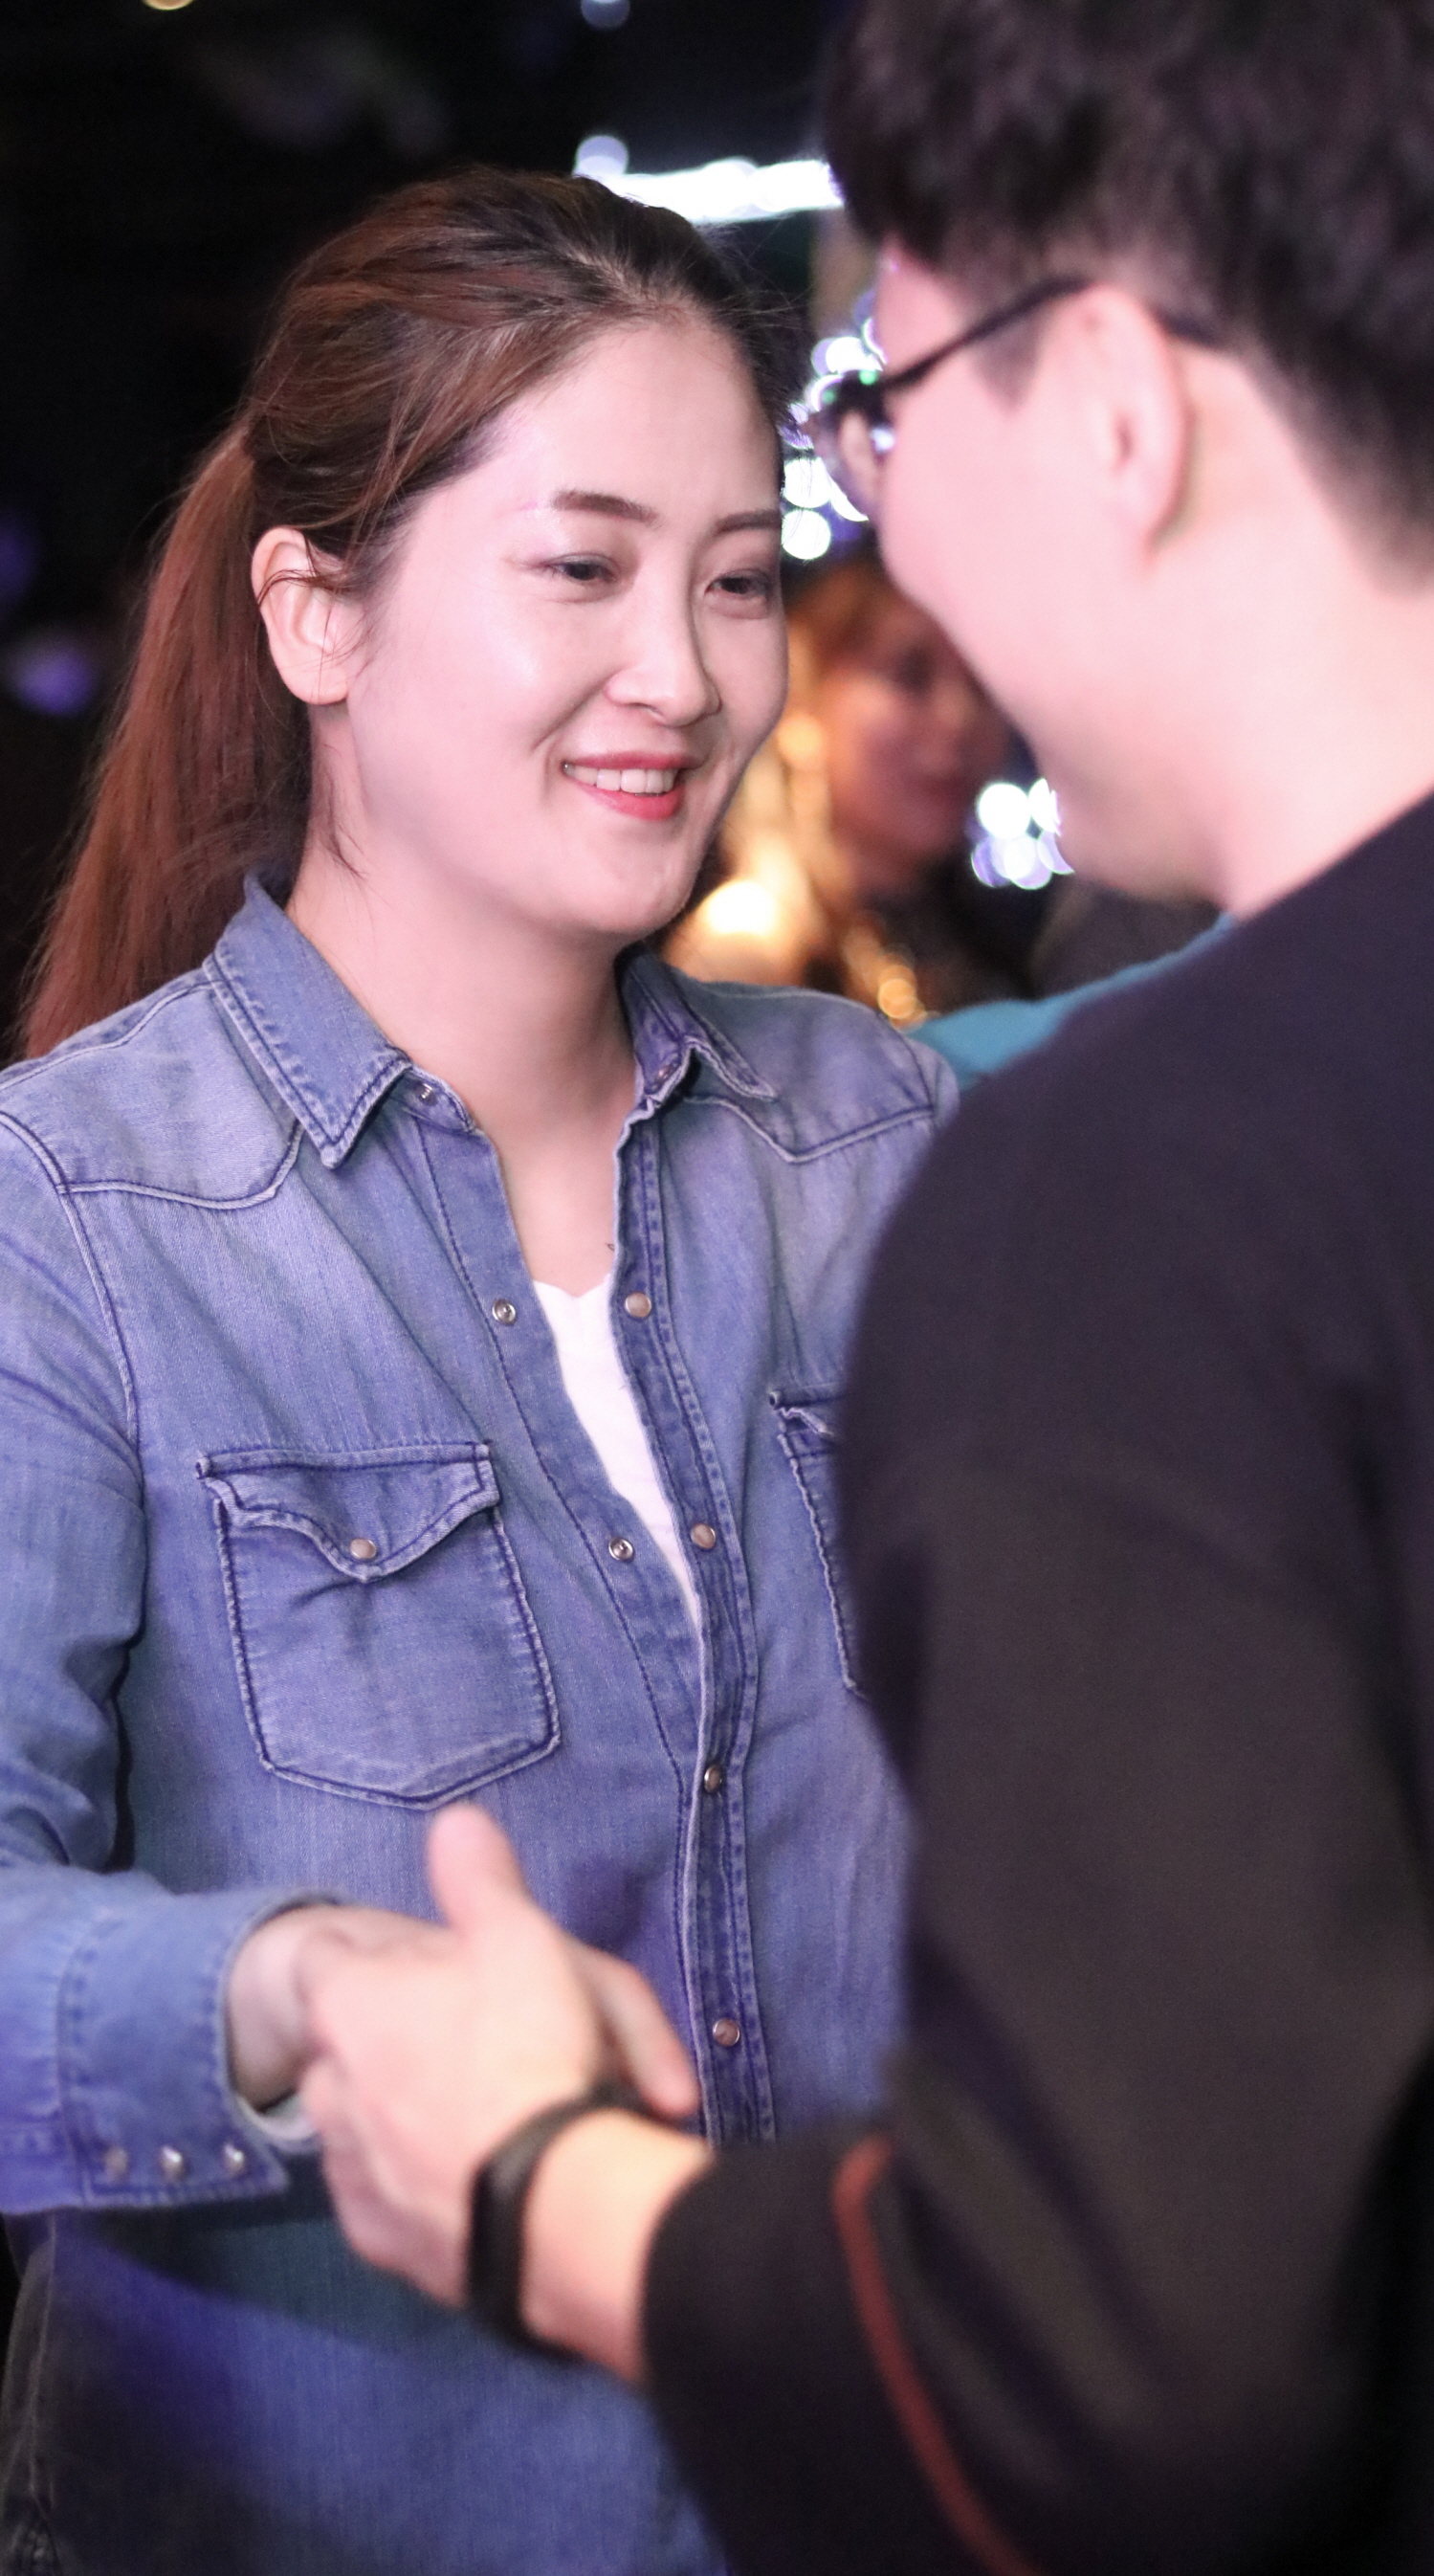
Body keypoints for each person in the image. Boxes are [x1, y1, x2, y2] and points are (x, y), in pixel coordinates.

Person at [291, 3, 1434, 2572]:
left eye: (881, 417)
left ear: (1114, 404)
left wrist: (531, 2183)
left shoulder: (1109, 1186)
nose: (871, 543)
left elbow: (1108, 2371)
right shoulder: (79, 1195)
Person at [0, 167, 956, 2576]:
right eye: (581, 567)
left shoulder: (868, 1137)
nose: (682, 676)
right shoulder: (75, 1212)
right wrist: (301, 1989)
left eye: (733, 577)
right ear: (312, 611)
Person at [667, 546, 1038, 1020]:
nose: (959, 719)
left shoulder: (977, 943)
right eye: (911, 676)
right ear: (801, 699)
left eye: (981, 684)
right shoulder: (748, 954)